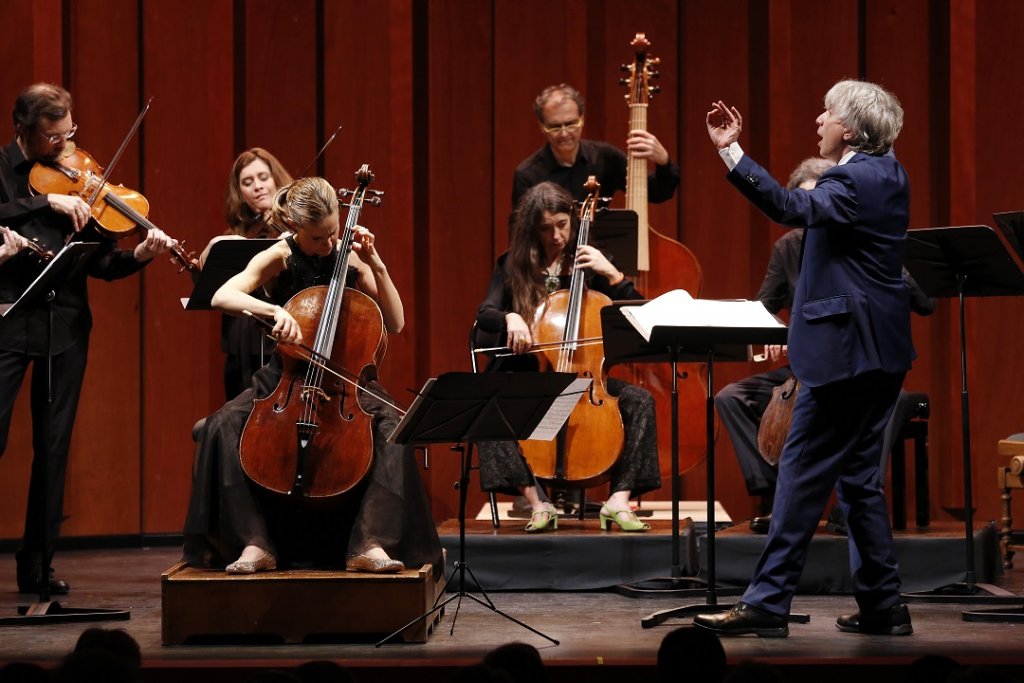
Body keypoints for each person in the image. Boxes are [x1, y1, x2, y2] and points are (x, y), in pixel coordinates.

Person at [694, 80, 916, 637]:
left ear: (852, 128)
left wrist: (731, 151)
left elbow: (790, 205)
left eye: (827, 113)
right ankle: (883, 606)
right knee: (861, 481)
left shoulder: (850, 178)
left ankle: (768, 604)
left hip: (844, 354)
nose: (819, 120)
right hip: (883, 352)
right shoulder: (891, 173)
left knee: (798, 478)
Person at [183, 176, 441, 575]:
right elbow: (222, 295)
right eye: (318, 238)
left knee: (395, 427)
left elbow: (396, 321)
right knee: (220, 425)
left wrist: (378, 265)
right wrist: (275, 311)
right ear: (295, 229)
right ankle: (255, 543)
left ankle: (368, 543)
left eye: (333, 232)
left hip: (347, 380)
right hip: (285, 375)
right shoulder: (278, 254)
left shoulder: (350, 257)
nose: (329, 244)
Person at [0, 83, 175, 595]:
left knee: (53, 448)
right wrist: (43, 201)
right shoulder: (4, 172)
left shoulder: (82, 180)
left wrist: (137, 258)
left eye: (68, 134)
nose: (66, 148)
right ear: (25, 131)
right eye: (54, 138)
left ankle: (38, 565)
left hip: (66, 325)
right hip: (8, 322)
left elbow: (101, 262)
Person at [715, 157, 935, 534]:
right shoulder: (788, 246)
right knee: (731, 396)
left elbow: (923, 303)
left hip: (861, 360)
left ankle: (855, 506)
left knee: (881, 405)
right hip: (808, 364)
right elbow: (766, 307)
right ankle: (774, 494)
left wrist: (891, 268)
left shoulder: (861, 241)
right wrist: (775, 335)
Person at [476, 181, 661, 532]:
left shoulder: (590, 261)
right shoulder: (513, 264)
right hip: (532, 377)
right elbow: (485, 313)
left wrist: (613, 274)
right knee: (487, 410)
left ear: (573, 220)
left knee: (641, 401)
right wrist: (509, 316)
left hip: (586, 380)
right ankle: (538, 502)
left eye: (562, 224)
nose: (557, 235)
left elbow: (641, 315)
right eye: (546, 228)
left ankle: (618, 499)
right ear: (533, 229)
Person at [201, 148, 294, 399]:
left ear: (276, 179)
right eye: (247, 182)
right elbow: (209, 289)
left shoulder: (296, 226)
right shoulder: (237, 233)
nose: (257, 187)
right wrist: (209, 257)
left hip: (279, 340)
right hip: (238, 345)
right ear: (239, 192)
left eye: (263, 177)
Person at [511, 83, 680, 207]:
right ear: (542, 126)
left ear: (582, 119)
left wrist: (663, 161)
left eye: (571, 124)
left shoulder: (605, 158)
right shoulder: (527, 175)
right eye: (555, 126)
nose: (564, 133)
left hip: (601, 254)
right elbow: (520, 236)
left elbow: (658, 192)